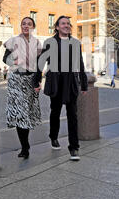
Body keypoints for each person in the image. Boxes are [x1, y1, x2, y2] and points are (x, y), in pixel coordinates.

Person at [33, 16, 88, 161]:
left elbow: (80, 64)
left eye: (68, 24)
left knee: (72, 115)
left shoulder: (75, 43)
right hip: (56, 81)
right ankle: (53, 136)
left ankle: (74, 147)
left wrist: (84, 83)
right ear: (57, 27)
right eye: (63, 23)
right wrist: (36, 81)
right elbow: (41, 62)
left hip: (71, 82)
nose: (66, 26)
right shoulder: (50, 42)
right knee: (55, 112)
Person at [3, 17, 42, 159]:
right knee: (19, 114)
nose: (26, 26)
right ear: (20, 26)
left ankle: (25, 145)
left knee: (26, 113)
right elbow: (4, 59)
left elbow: (39, 66)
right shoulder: (13, 41)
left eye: (29, 24)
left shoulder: (37, 43)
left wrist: (37, 82)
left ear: (33, 27)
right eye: (24, 23)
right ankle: (24, 146)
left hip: (29, 80)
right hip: (15, 80)